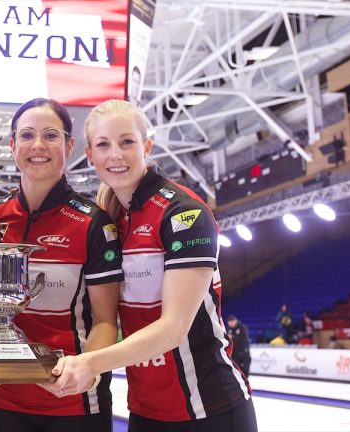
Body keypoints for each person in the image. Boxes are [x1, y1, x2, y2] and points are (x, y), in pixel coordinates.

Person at [46, 99, 256, 431]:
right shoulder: (111, 218)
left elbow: (174, 329)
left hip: (210, 410)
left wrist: (89, 363)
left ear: (146, 145)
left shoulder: (184, 213)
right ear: (90, 155)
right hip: (146, 410)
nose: (115, 154)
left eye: (127, 142)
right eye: (104, 145)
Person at [0, 98, 123, 431]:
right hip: (3, 398)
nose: (38, 146)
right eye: (27, 135)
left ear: (69, 145)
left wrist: (87, 371)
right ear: (12, 144)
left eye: (50, 135)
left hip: (72, 403)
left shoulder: (93, 224)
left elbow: (106, 320)